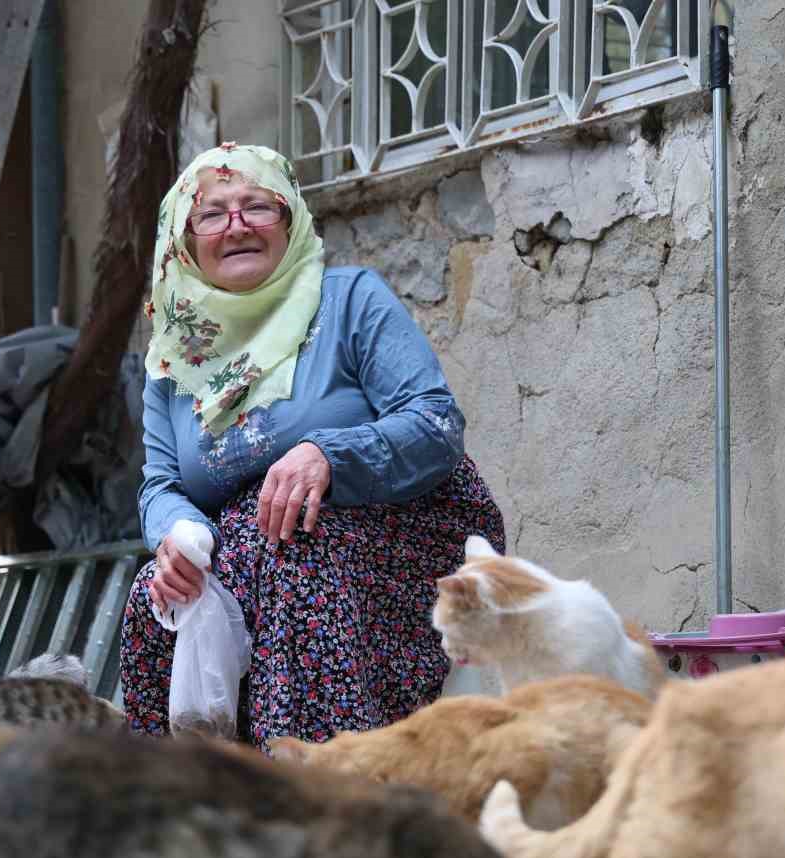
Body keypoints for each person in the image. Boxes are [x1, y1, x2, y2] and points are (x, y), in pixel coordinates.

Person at [118, 142, 505, 750]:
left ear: (290, 220)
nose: (237, 226)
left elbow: (435, 423)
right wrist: (178, 539)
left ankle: (316, 790)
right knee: (156, 596)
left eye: (257, 207)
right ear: (186, 241)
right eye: (213, 214)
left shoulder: (349, 299)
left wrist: (328, 453)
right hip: (253, 549)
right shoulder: (174, 360)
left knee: (296, 557)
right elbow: (161, 484)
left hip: (394, 529)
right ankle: (189, 804)